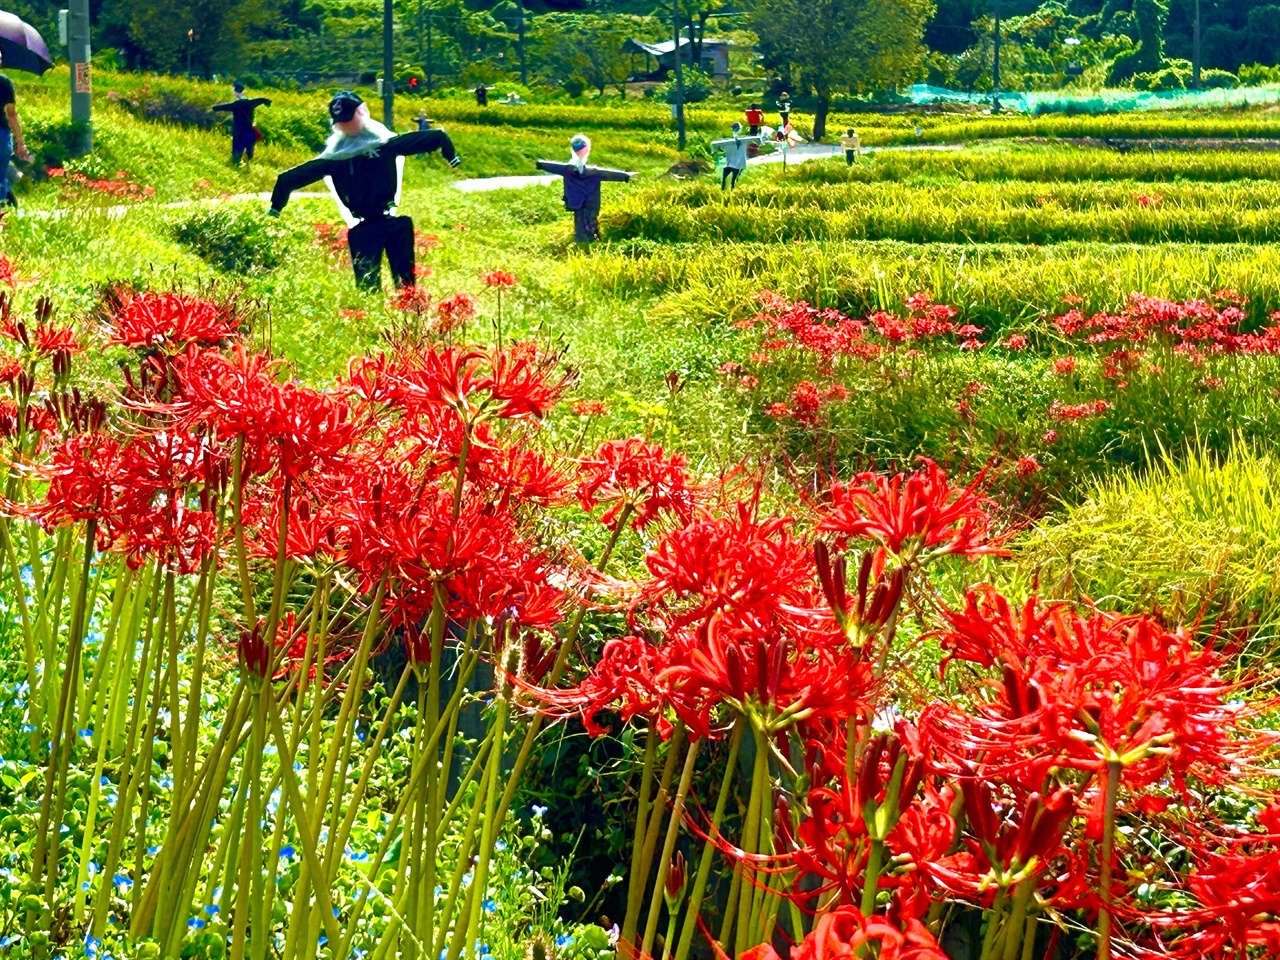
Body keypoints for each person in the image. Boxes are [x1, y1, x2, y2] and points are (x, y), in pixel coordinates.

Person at [268, 91, 461, 290]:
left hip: (391, 223)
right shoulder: (334, 157)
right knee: (368, 287)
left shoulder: (383, 144)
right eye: (341, 121)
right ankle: (378, 309)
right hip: (363, 229)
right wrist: (276, 206)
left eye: (349, 119)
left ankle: (409, 308)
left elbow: (433, 137)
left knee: (406, 285)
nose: (347, 125)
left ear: (360, 112)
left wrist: (450, 154)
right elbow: (290, 178)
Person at [535, 135, 633, 244]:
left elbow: (551, 166)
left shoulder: (568, 169)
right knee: (591, 224)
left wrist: (540, 164)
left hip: (576, 202)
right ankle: (591, 244)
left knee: (580, 225)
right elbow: (610, 174)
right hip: (591, 202)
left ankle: (582, 244)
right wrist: (626, 176)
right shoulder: (594, 172)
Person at [0, 52, 32, 209]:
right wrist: (20, 142)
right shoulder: (4, 83)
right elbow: (11, 113)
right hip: (1, 132)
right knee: (1, 174)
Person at [212, 81, 273, 165]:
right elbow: (262, 100)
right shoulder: (250, 103)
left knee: (237, 150)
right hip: (249, 130)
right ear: (243, 91)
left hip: (238, 131)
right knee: (249, 150)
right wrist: (267, 102)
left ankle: (236, 164)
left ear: (234, 91)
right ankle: (248, 165)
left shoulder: (235, 105)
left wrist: (215, 107)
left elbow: (220, 107)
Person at [711, 122, 764, 191]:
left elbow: (718, 148)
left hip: (734, 163)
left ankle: (728, 190)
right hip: (735, 163)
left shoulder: (732, 142)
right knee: (731, 179)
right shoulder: (736, 141)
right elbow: (756, 140)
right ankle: (728, 190)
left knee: (731, 179)